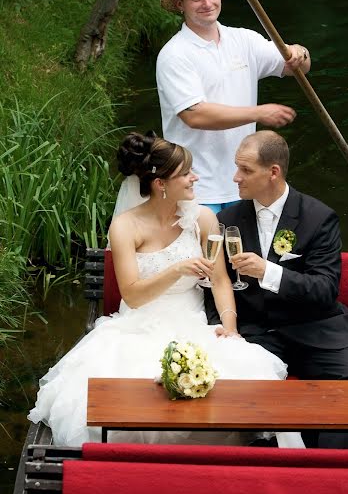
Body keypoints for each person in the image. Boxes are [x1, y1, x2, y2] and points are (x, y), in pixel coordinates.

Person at [28, 131, 304, 448]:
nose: (194, 178)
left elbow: (219, 280)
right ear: (161, 184)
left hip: (193, 323)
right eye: (185, 173)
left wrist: (229, 327)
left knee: (243, 384)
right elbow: (132, 294)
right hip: (138, 326)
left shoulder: (202, 219)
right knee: (127, 399)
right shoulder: (125, 226)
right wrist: (177, 270)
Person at [209, 130, 348, 448]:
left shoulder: (319, 218)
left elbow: (324, 290)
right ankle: (261, 473)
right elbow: (216, 283)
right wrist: (222, 326)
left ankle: (333, 478)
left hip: (316, 331)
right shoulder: (227, 220)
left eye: (246, 170)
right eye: (236, 167)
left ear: (273, 172)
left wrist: (268, 271)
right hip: (258, 334)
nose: (235, 177)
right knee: (231, 387)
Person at [156, 0, 311, 212]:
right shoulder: (174, 54)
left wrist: (298, 52)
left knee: (244, 253)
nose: (207, 3)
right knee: (208, 253)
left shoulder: (243, 40)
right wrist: (259, 113)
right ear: (180, 4)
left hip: (244, 184)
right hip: (196, 187)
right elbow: (195, 115)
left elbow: (296, 67)